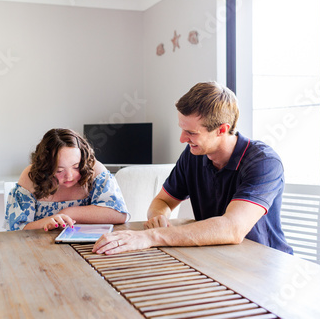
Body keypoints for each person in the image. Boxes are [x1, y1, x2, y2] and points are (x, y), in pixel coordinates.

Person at [0, 128, 129, 318]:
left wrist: (68, 212)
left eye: (75, 166)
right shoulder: (32, 177)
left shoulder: (94, 170)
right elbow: (16, 229)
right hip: (33, 258)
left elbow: (119, 213)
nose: (69, 176)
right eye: (60, 170)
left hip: (84, 257)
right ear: (46, 166)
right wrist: (44, 222)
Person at [93, 81, 293, 255]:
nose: (182, 139)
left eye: (191, 132)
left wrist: (152, 236)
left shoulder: (264, 162)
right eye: (182, 129)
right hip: (215, 256)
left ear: (221, 130)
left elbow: (232, 228)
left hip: (263, 265)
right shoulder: (193, 155)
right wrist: (158, 217)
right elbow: (162, 200)